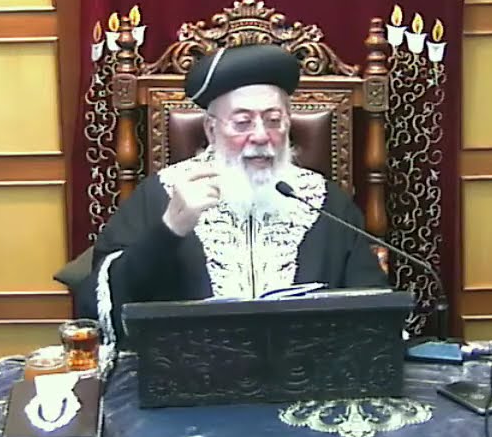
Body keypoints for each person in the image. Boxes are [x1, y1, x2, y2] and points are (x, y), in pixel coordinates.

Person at [88, 43, 390, 345]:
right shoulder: (162, 194)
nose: (260, 136)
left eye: (274, 120)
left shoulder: (324, 201)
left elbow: (371, 310)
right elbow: (105, 304)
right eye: (242, 122)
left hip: (307, 368)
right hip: (190, 367)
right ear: (211, 130)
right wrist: (169, 230)